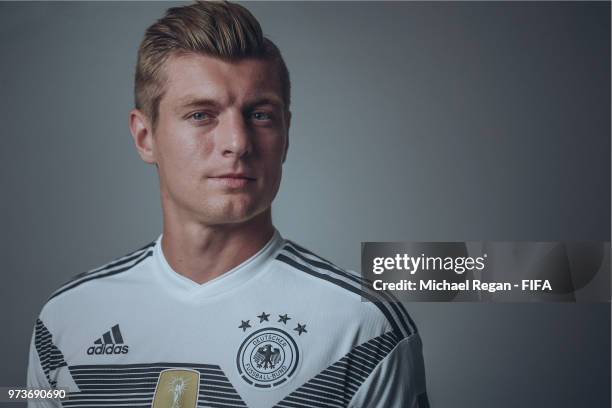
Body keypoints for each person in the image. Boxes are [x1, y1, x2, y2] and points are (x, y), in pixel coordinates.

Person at [26, 2, 429, 407]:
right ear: (145, 136)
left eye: (260, 115)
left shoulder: (363, 326)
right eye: (202, 114)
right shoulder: (65, 321)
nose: (237, 142)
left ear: (286, 135)